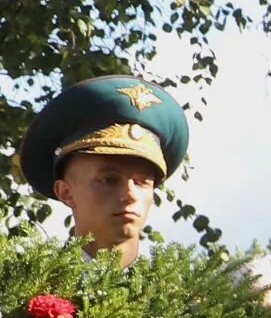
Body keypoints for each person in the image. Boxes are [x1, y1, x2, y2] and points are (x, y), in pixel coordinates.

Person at [12, 74, 190, 268]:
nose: (130, 194)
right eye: (108, 180)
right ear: (66, 192)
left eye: (142, 182)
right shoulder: (27, 294)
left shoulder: (185, 296)